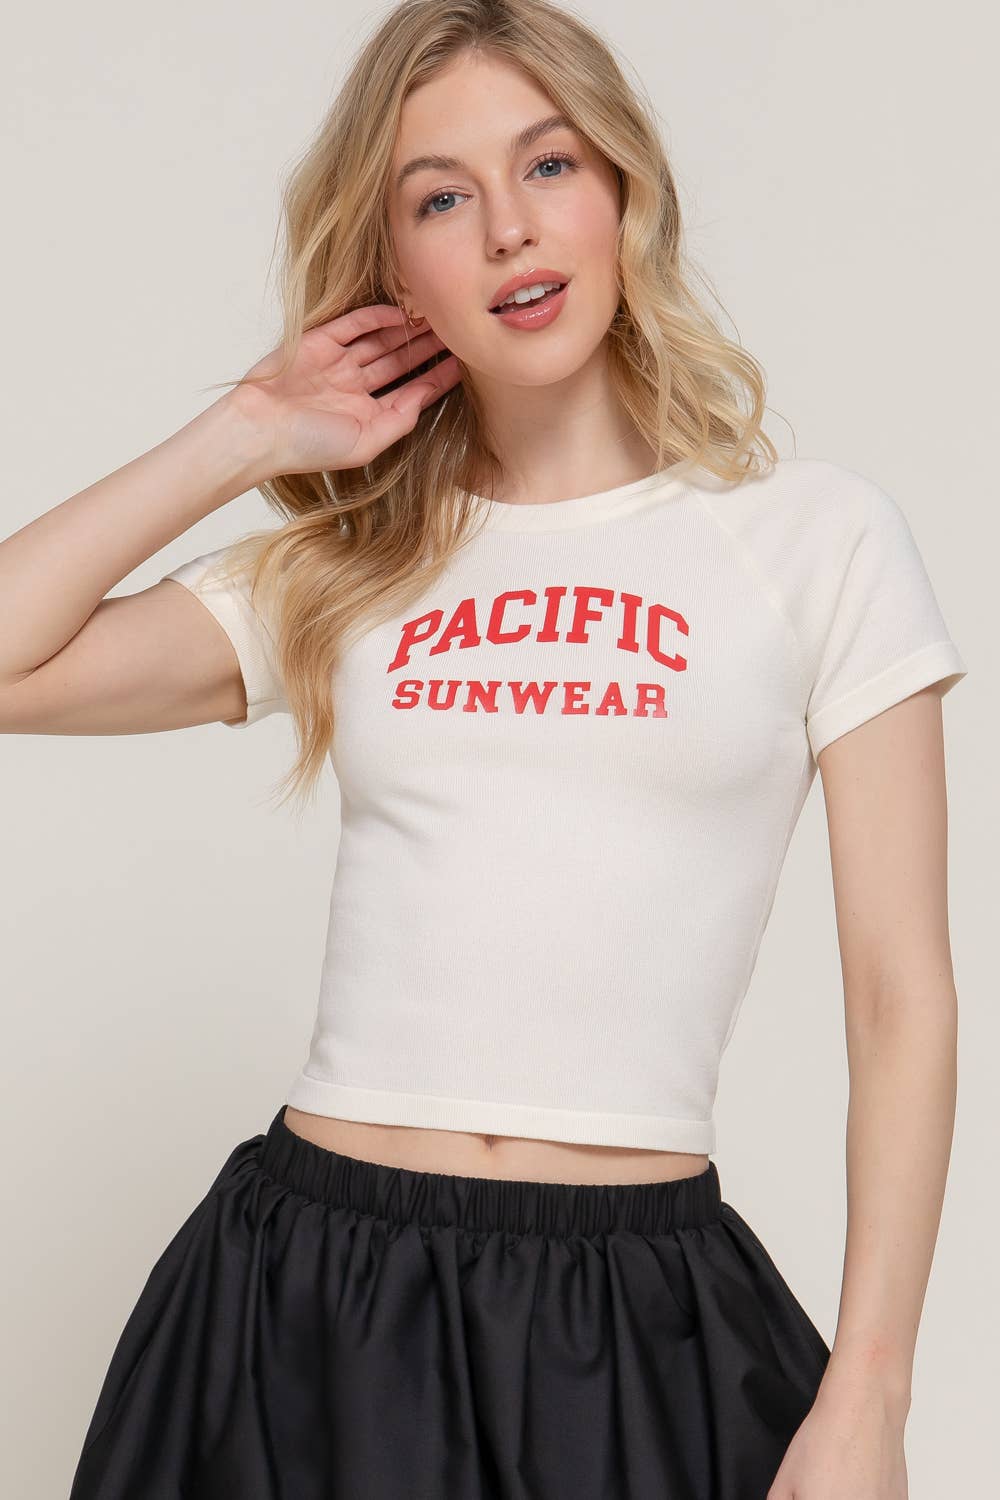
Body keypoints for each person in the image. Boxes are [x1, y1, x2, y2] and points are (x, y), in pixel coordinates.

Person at [1, 2, 966, 1496]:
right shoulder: (352, 566)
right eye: (442, 198)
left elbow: (902, 994)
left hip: (633, 1312)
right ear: (397, 269)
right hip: (307, 1307)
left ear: (626, 189)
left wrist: (873, 1390)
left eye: (550, 164)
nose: (510, 226)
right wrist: (246, 433)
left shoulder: (815, 541)